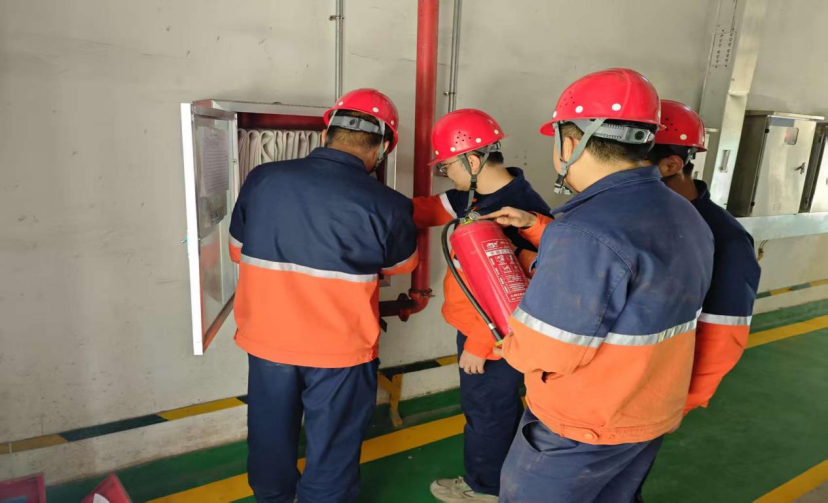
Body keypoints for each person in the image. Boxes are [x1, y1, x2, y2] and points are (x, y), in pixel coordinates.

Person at [484, 69, 715, 502]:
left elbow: (547, 350)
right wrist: (542, 229)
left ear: (571, 143)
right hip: (645, 415)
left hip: (581, 426)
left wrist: (507, 344)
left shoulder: (583, 229)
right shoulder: (686, 213)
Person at [228, 88, 418, 503]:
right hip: (340, 351)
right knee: (332, 450)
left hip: (268, 341)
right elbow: (402, 266)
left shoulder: (263, 179)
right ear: (384, 147)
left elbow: (236, 251)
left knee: (269, 438)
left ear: (326, 132)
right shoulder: (389, 204)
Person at [412, 109, 550, 502]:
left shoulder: (516, 211)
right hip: (482, 329)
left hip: (493, 337)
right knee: (496, 408)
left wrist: (480, 342)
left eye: (447, 166)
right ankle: (504, 481)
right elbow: (427, 209)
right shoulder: (478, 196)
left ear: (472, 161)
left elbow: (516, 292)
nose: (445, 173)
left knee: (488, 409)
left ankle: (486, 489)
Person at [629, 100, 760, 499]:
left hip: (650, 399)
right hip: (617, 388)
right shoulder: (638, 219)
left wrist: (677, 402)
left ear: (671, 165)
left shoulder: (726, 239)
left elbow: (724, 337)